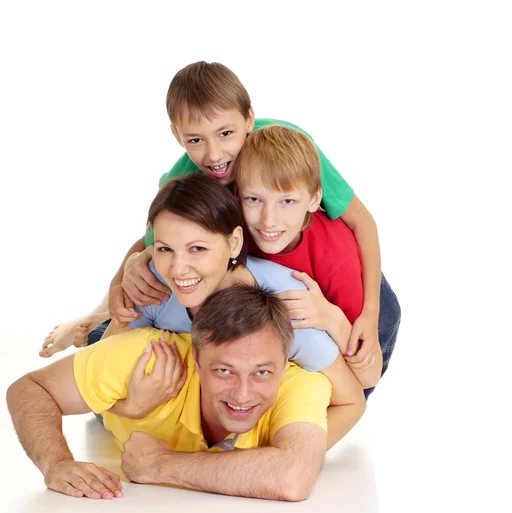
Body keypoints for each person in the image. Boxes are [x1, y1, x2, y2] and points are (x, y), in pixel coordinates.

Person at [41, 61, 385, 368]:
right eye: (195, 140)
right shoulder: (181, 180)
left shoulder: (288, 151)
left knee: (359, 338)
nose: (215, 154)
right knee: (147, 288)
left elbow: (361, 222)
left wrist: (369, 316)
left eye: (226, 133)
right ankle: (94, 318)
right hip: (251, 282)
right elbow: (154, 246)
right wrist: (122, 280)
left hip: (327, 275)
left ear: (248, 119)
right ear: (177, 136)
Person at [95, 173, 364, 447]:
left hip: (351, 320)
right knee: (97, 338)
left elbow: (352, 401)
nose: (177, 269)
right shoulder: (154, 285)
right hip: (189, 397)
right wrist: (132, 407)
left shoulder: (287, 307)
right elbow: (97, 378)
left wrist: (286, 453)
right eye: (165, 249)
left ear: (234, 242)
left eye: (197, 248)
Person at [7, 285, 332, 501]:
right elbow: (30, 388)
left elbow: (293, 477)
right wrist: (56, 463)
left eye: (262, 372)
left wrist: (159, 464)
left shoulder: (301, 384)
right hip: (115, 391)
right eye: (224, 371)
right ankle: (83, 323)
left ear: (284, 363)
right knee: (98, 333)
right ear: (196, 359)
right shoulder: (145, 357)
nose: (243, 394)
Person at [234, 125, 401, 397]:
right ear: (236, 195)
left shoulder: (336, 259)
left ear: (314, 199)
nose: (269, 220)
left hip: (359, 308)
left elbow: (369, 376)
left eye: (287, 201)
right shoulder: (232, 231)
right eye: (254, 199)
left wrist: (330, 317)